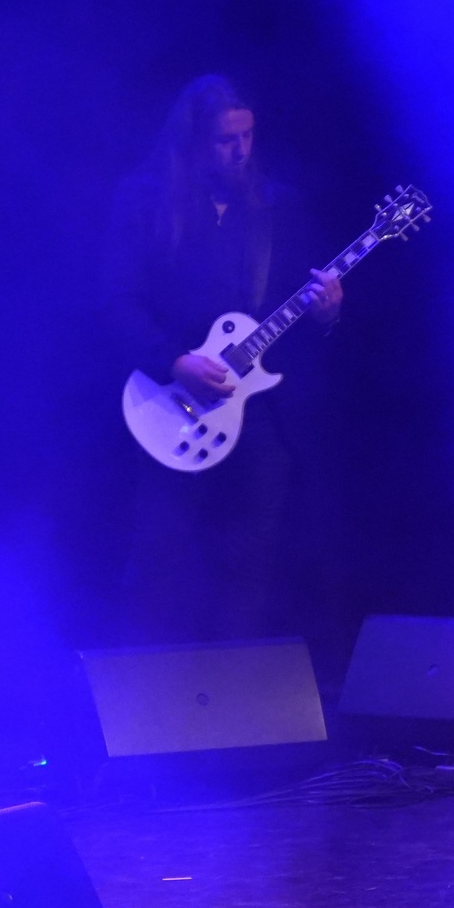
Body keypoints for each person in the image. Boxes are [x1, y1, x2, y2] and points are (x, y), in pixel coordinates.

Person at [108, 75, 342, 643]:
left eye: (247, 137)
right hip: (167, 401)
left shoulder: (276, 207)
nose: (240, 151)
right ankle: (147, 688)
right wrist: (174, 360)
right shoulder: (144, 201)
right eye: (225, 140)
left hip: (255, 413)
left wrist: (327, 312)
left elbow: (296, 309)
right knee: (160, 561)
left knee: (250, 566)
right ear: (192, 142)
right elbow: (117, 301)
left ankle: (235, 685)